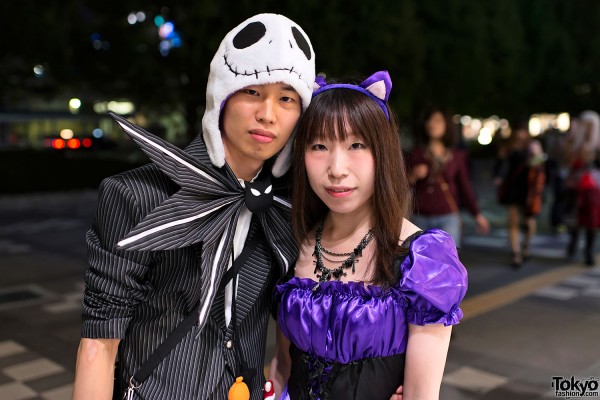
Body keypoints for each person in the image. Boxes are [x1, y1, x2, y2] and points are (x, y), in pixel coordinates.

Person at [72, 13, 316, 400]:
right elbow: (99, 345)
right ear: (222, 95)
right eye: (253, 91)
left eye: (286, 98)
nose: (267, 114)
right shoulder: (138, 196)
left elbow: (308, 310)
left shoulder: (287, 206)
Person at [269, 71, 468, 399]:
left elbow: (421, 395)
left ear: (383, 153)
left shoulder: (422, 259)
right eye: (319, 146)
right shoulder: (292, 241)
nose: (336, 169)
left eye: (356, 145)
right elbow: (281, 368)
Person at [407, 106, 489, 249]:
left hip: (448, 217)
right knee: (420, 261)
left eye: (438, 120)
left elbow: (464, 186)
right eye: (429, 120)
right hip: (420, 217)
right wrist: (413, 175)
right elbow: (401, 185)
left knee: (447, 260)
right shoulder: (416, 154)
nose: (432, 124)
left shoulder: (456, 156)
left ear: (447, 125)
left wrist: (476, 214)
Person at [494, 124, 546, 268]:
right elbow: (500, 165)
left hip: (529, 188)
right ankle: (516, 253)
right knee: (513, 222)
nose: (520, 133)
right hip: (513, 187)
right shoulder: (507, 147)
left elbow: (540, 165)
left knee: (529, 221)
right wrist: (498, 177)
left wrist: (534, 158)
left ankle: (526, 246)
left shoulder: (532, 146)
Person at [565, 110, 600, 266]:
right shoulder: (575, 142)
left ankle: (589, 251)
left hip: (594, 188)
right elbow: (568, 161)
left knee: (592, 219)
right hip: (576, 186)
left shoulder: (597, 144)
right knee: (575, 218)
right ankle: (572, 245)